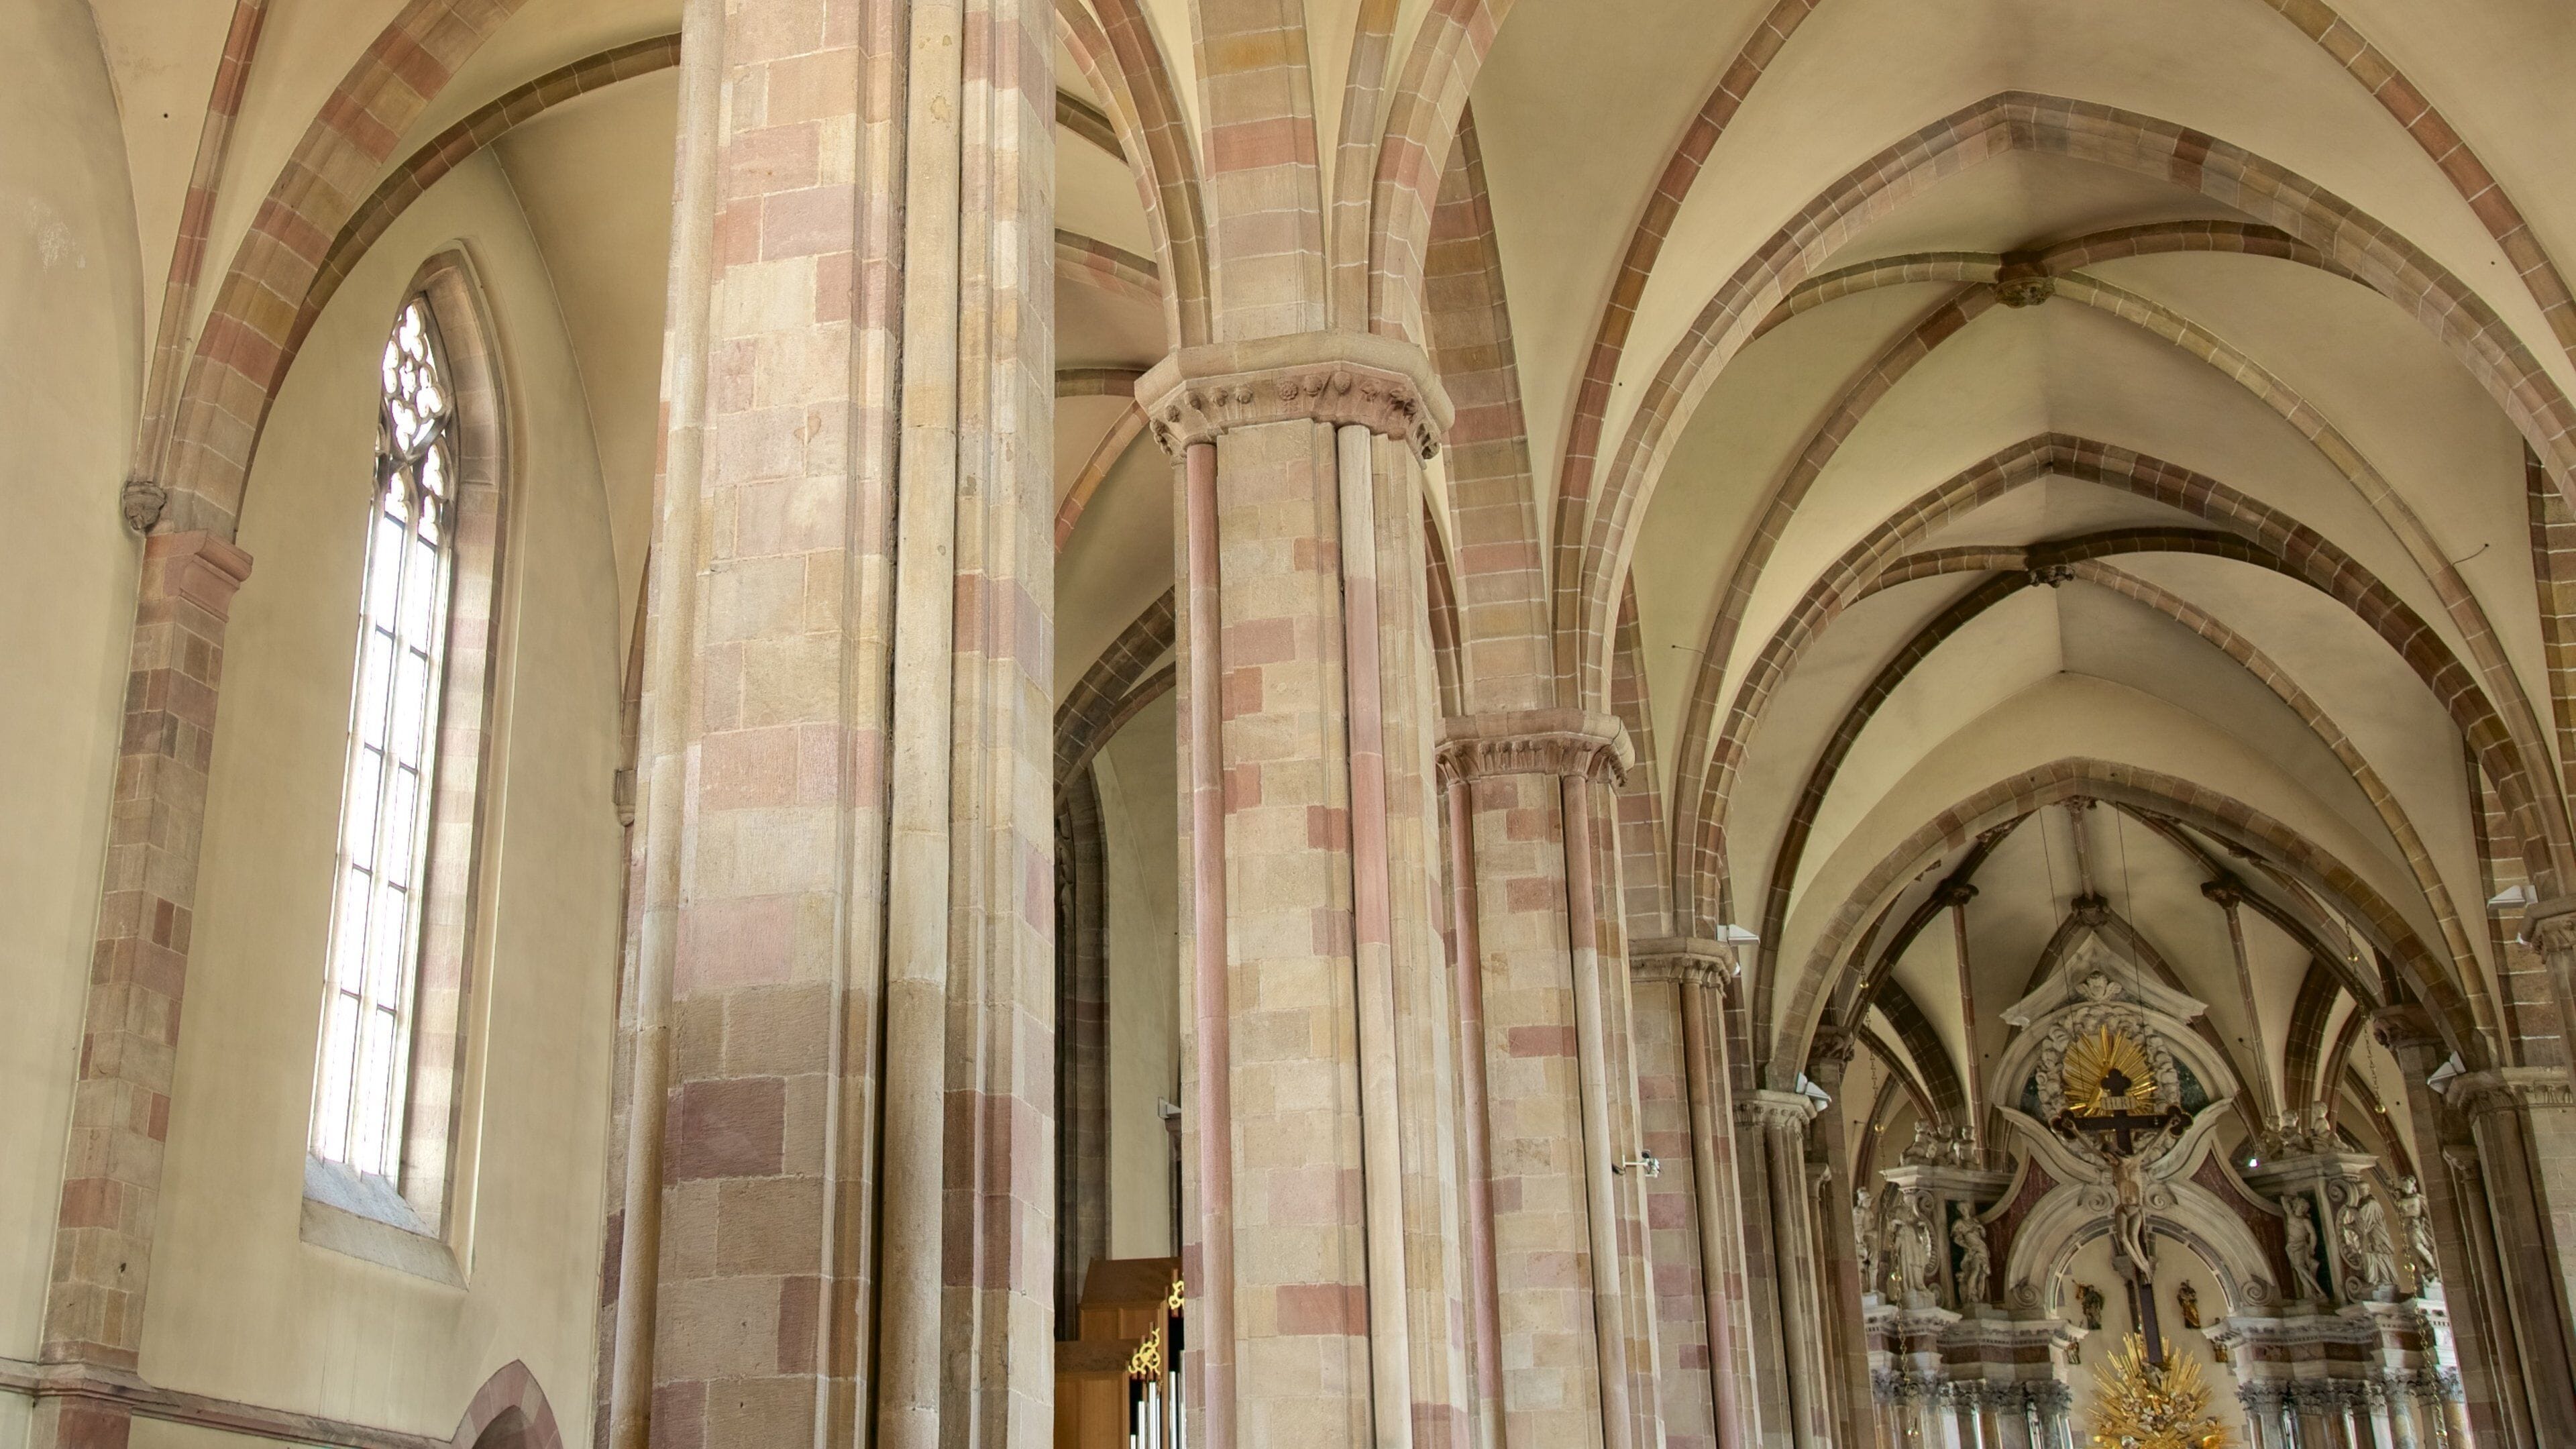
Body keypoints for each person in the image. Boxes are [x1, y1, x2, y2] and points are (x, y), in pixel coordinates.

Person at [2281, 1195, 2324, 1301]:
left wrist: (2312, 1248)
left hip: (2301, 1245)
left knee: (2301, 1268)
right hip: (2291, 1246)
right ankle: (2311, 1294)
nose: (2301, 1208)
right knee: (2300, 1271)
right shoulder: (2290, 1215)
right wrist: (2293, 1198)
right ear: (2295, 1206)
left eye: (2303, 1207)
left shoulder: (2305, 1221)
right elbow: (2283, 1199)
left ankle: (2320, 1292)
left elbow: (2313, 1234)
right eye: (2299, 1205)